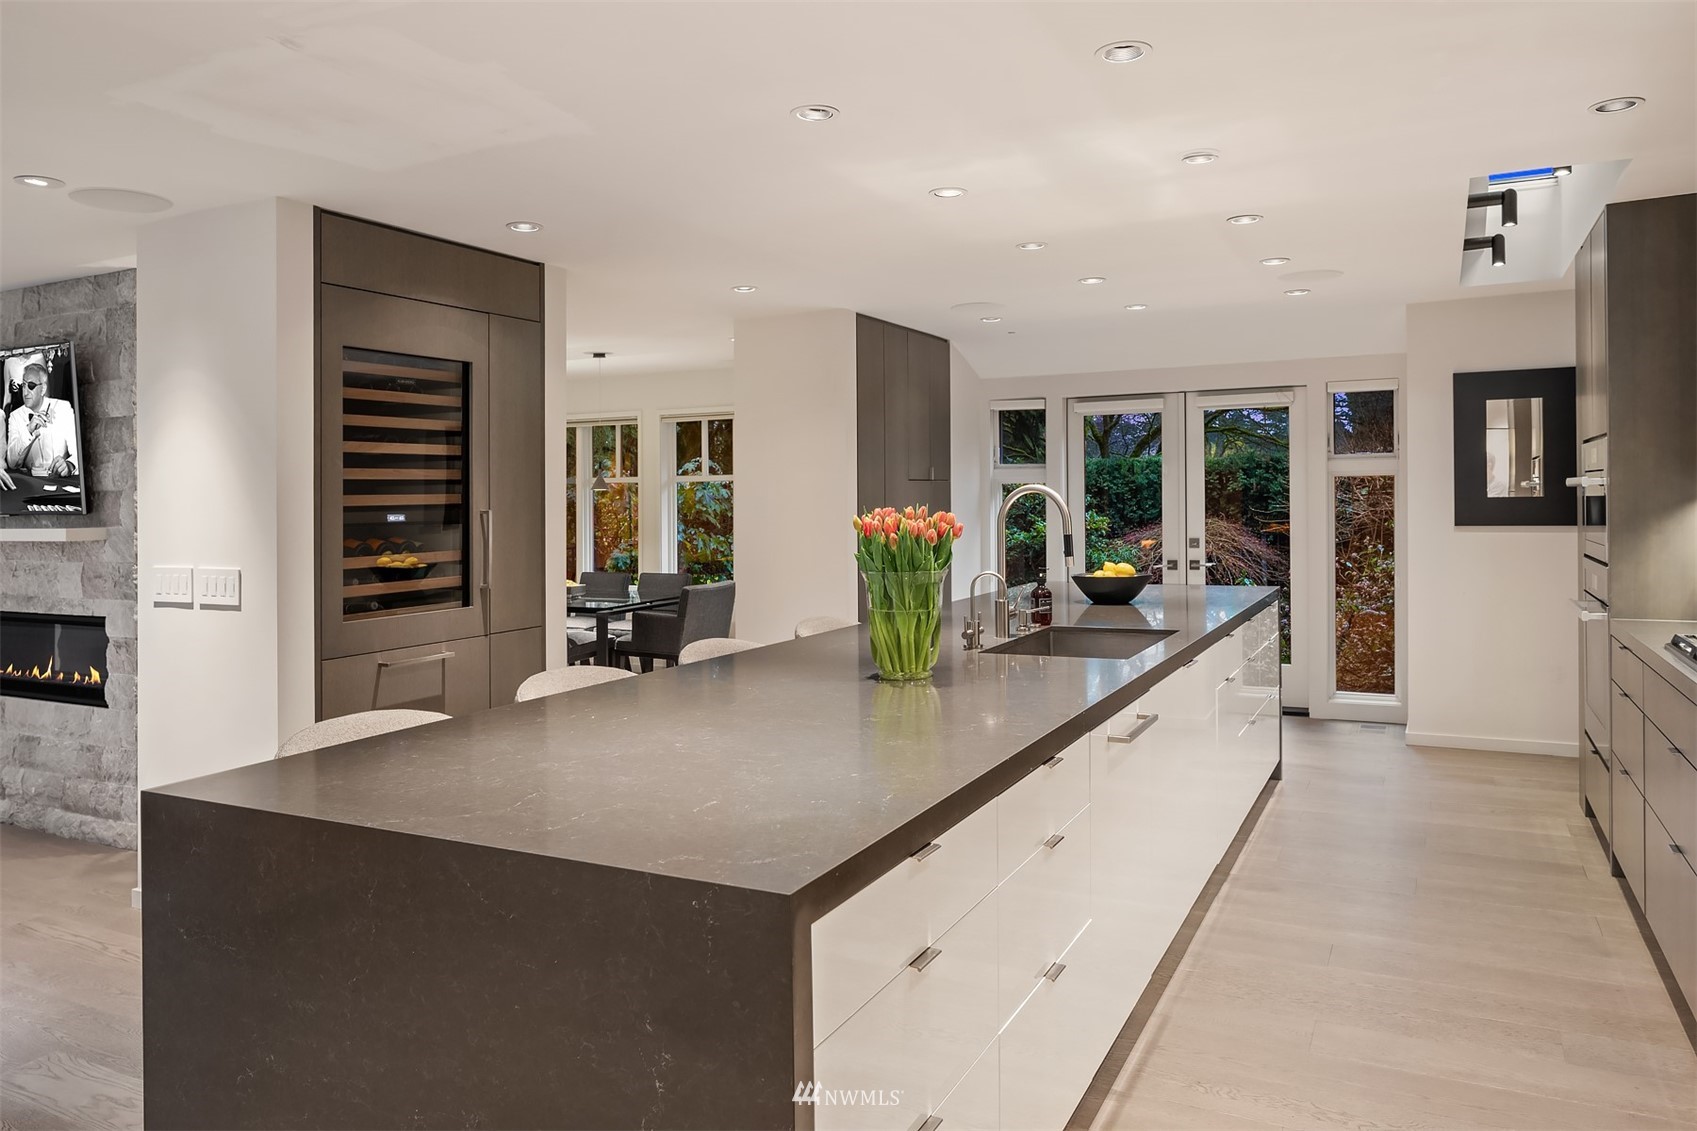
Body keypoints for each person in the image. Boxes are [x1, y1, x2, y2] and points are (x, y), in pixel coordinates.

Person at [5, 363, 78, 478]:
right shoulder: (15, 417)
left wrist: (69, 465)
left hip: (61, 482)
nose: (25, 392)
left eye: (31, 386)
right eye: (23, 385)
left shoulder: (63, 408)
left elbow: (78, 452)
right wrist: (28, 431)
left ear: (43, 389)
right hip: (31, 485)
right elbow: (12, 463)